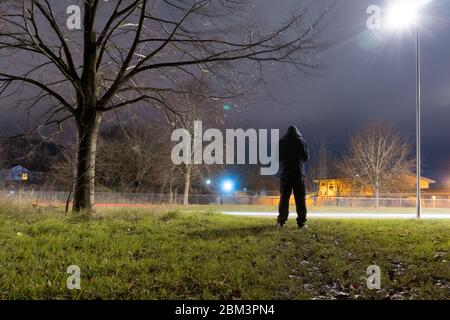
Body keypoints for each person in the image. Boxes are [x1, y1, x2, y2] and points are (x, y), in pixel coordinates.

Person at [277, 125, 310, 229]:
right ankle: (301, 223)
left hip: (285, 174)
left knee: (284, 198)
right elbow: (306, 157)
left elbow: (278, 157)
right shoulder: (301, 141)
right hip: (298, 173)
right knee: (300, 199)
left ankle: (281, 221)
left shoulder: (282, 142)